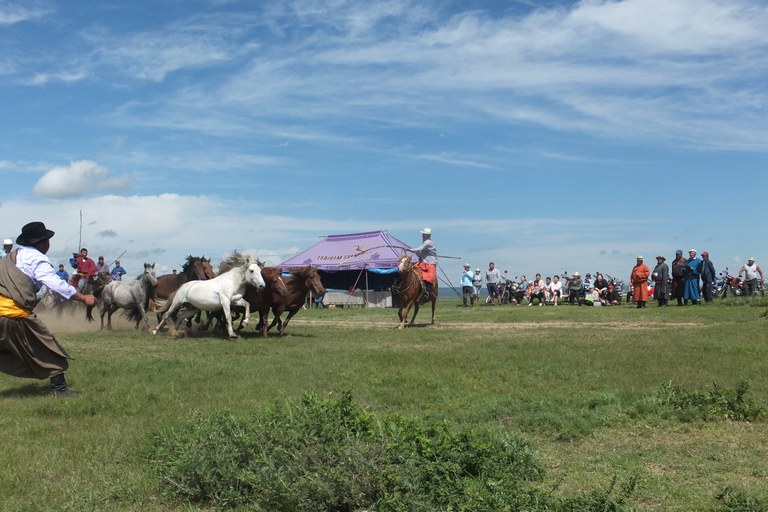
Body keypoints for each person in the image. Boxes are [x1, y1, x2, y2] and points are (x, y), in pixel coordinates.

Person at [0, 221, 96, 397]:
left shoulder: (11, 258)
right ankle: (60, 390)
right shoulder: (37, 258)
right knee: (47, 345)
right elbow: (54, 283)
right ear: (43, 242)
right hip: (13, 315)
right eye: (48, 241)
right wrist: (83, 297)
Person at [409, 227, 437, 300]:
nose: (422, 235)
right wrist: (416, 252)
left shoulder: (428, 242)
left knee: (429, 278)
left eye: (423, 234)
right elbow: (419, 252)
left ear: (427, 235)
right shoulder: (424, 242)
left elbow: (419, 249)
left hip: (430, 263)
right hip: (423, 262)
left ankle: (427, 292)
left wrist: (409, 249)